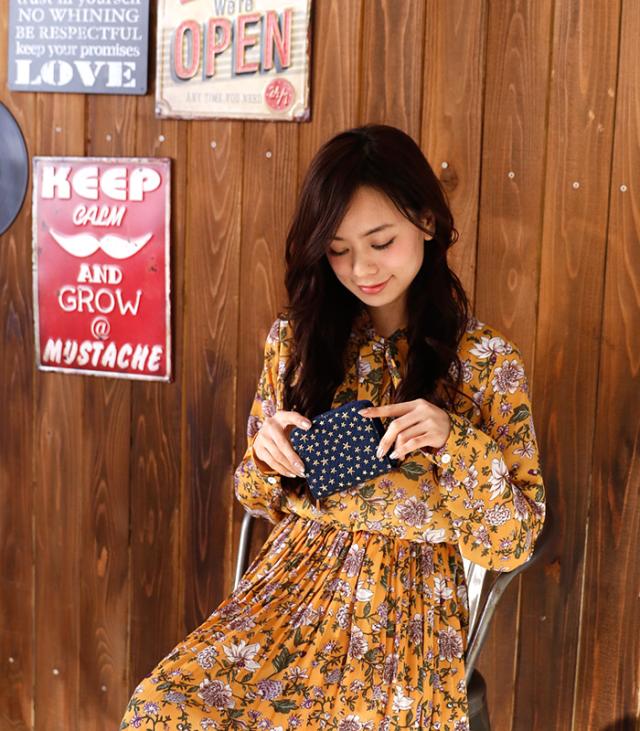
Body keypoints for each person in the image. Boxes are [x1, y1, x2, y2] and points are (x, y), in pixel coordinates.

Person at [120, 124, 546, 730]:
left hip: (407, 608)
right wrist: (266, 457)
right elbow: (253, 497)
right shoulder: (296, 343)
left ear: (427, 221)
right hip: (289, 588)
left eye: (381, 241)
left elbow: (512, 544)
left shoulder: (485, 363)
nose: (361, 268)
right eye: (338, 249)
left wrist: (454, 441)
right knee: (163, 708)